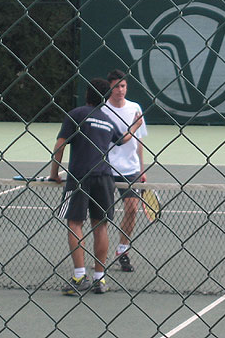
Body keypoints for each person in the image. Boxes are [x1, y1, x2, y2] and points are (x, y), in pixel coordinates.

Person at [50, 77, 143, 295]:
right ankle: (99, 280)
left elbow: (60, 145)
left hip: (80, 176)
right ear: (105, 97)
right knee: (100, 226)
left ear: (86, 95)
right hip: (105, 177)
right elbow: (124, 138)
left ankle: (79, 276)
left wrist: (54, 174)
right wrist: (136, 125)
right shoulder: (108, 121)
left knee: (75, 223)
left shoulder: (77, 114)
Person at [101, 69, 148, 273]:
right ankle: (99, 254)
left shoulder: (135, 108)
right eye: (116, 86)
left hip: (130, 170)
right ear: (109, 87)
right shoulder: (102, 110)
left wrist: (141, 169)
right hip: (105, 169)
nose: (120, 90)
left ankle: (123, 251)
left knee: (132, 209)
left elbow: (138, 141)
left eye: (123, 86)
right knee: (103, 215)